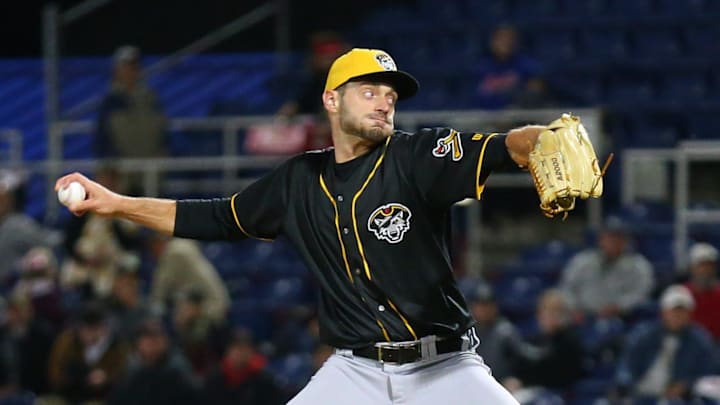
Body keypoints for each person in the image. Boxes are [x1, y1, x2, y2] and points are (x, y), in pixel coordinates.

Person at [57, 47, 559, 404]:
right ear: (332, 100)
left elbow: (503, 146)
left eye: (390, 94)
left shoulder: (416, 155)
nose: (385, 101)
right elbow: (210, 217)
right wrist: (116, 203)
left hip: (445, 367)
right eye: (369, 91)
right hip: (355, 371)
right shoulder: (298, 180)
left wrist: (544, 140)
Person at [613, 285, 717, 402]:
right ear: (664, 312)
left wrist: (686, 385)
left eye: (682, 312)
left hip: (677, 398)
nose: (678, 316)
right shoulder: (644, 334)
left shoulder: (700, 340)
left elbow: (707, 374)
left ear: (690, 314)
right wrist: (625, 385)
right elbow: (627, 365)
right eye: (674, 311)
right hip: (639, 393)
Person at [96, 45, 167, 195]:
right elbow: (102, 140)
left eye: (134, 67)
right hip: (123, 174)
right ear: (117, 70)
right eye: (125, 67)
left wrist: (162, 157)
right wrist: (110, 168)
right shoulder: (111, 102)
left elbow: (163, 134)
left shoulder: (150, 100)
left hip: (150, 174)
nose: (130, 72)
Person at [560, 217, 655, 320]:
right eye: (609, 237)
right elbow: (566, 287)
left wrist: (620, 306)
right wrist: (574, 307)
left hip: (624, 319)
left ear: (626, 241)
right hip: (583, 318)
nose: (613, 242)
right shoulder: (582, 261)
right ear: (601, 239)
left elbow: (642, 292)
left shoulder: (638, 265)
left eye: (618, 237)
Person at [504, 289, 585, 394]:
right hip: (532, 391)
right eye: (544, 311)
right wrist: (517, 380)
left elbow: (560, 373)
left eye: (555, 311)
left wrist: (526, 382)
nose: (548, 316)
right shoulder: (536, 340)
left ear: (565, 314)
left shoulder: (570, 340)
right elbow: (520, 365)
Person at [47, 302, 129, 403]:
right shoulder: (66, 341)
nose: (89, 335)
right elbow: (54, 372)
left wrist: (106, 378)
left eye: (94, 329)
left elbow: (122, 374)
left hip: (103, 398)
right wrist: (75, 376)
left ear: (103, 328)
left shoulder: (117, 346)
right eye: (85, 330)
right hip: (68, 394)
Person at [109, 318, 198, 405]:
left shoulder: (177, 366)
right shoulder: (131, 366)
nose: (153, 343)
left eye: (157, 337)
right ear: (138, 343)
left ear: (166, 341)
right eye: (147, 338)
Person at [148, 233, 230, 323]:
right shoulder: (183, 244)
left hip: (211, 306)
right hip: (215, 301)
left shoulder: (174, 251)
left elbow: (161, 288)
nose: (153, 253)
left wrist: (154, 308)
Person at [0, 170, 60, 283]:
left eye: (3, 199)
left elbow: (50, 244)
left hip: (14, 287)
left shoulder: (19, 225)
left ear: (11, 200)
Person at [471, 25, 547, 110]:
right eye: (500, 38)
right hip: (483, 116)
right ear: (492, 41)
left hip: (516, 116)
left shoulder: (526, 65)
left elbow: (536, 90)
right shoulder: (481, 66)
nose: (505, 42)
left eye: (509, 38)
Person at [202, 329, 286, 405]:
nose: (241, 353)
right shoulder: (214, 378)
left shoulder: (263, 380)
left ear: (252, 352)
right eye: (237, 348)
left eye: (245, 348)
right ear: (228, 351)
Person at [469, 284, 522, 383]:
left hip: (502, 385)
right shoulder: (468, 333)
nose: (483, 310)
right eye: (480, 306)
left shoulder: (506, 332)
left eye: (487, 305)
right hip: (474, 384)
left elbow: (519, 364)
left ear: (495, 307)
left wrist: (515, 378)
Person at [683, 242, 720, 341]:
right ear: (691, 267)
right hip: (689, 346)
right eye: (701, 265)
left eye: (709, 265)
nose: (705, 270)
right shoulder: (682, 293)